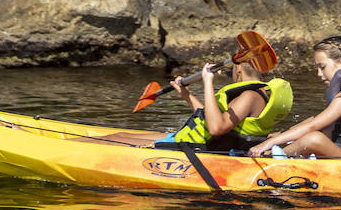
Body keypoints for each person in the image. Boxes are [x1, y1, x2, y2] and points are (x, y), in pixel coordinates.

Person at [249, 36, 341, 159]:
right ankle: (280, 150)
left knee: (314, 139)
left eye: (322, 67)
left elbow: (314, 125)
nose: (318, 73)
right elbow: (315, 120)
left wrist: (269, 143)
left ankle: (269, 157)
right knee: (310, 133)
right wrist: (283, 135)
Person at [106, 59, 292, 151]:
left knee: (115, 139)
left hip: (194, 146)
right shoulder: (257, 94)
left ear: (239, 68)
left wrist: (208, 82)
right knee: (120, 135)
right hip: (194, 139)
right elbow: (211, 118)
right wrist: (186, 95)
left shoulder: (250, 96)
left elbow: (216, 128)